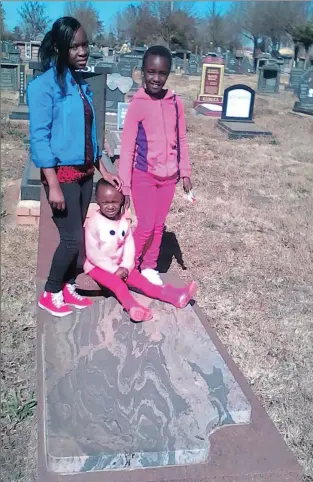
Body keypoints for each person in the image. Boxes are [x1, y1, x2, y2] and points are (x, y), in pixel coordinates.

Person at [28, 17, 121, 317]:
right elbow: (40, 138)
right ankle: (51, 291)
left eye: (85, 45)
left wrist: (103, 168)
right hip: (62, 175)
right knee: (72, 240)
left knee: (77, 235)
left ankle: (68, 286)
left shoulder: (81, 85)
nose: (83, 52)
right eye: (75, 46)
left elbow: (89, 133)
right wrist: (52, 183)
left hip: (84, 174)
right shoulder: (42, 87)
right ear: (59, 47)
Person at [117, 45, 193, 287]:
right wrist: (125, 187)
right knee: (146, 225)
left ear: (168, 74)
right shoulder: (137, 104)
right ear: (142, 72)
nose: (156, 78)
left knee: (158, 225)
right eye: (151, 72)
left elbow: (181, 139)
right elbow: (127, 147)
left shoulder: (175, 103)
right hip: (144, 175)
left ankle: (149, 266)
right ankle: (128, 266)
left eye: (162, 73)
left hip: (169, 178)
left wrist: (185, 172)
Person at [84, 179, 197, 322]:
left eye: (115, 202)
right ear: (98, 202)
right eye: (105, 203)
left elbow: (129, 245)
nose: (110, 206)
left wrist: (125, 265)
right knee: (118, 285)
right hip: (98, 267)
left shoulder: (122, 221)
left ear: (122, 200)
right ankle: (132, 307)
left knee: (144, 283)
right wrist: (114, 270)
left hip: (122, 265)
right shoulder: (94, 223)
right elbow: (93, 253)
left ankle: (176, 296)